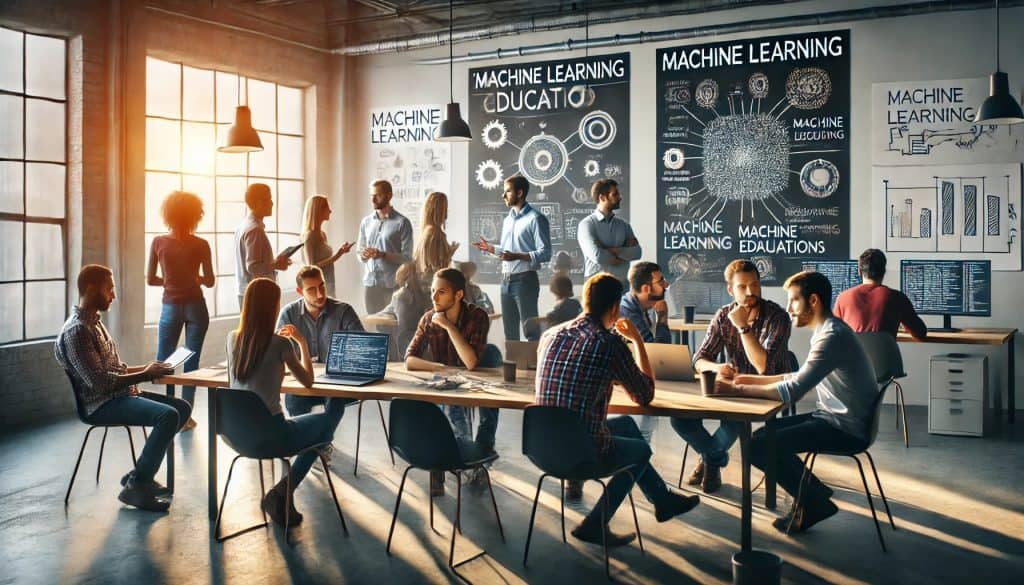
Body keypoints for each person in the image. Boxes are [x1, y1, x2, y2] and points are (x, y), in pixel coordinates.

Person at [707, 270, 879, 534]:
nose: (788, 309)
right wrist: (746, 379)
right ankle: (813, 494)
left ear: (813, 301)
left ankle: (813, 501)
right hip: (834, 418)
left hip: (846, 429)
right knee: (764, 435)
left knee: (755, 447)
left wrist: (734, 389)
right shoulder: (827, 331)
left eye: (794, 301)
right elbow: (795, 376)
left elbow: (792, 391)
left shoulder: (831, 337)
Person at [535, 273, 699, 546]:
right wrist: (636, 341)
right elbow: (645, 395)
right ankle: (594, 524)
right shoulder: (608, 343)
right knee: (641, 450)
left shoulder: (551, 335)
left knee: (626, 426)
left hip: (540, 447)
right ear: (615, 308)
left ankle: (663, 499)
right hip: (579, 452)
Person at [55, 264, 191, 512]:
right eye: (110, 290)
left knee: (181, 408)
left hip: (119, 395)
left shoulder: (95, 323)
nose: (113, 296)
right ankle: (138, 485)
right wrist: (145, 375)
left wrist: (149, 368)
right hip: (101, 405)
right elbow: (99, 383)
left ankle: (138, 475)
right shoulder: (77, 331)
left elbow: (115, 369)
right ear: (91, 288)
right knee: (168, 415)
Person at [228, 278, 343, 528]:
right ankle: (282, 491)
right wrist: (300, 342)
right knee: (324, 426)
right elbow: (308, 382)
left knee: (306, 424)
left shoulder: (232, 339)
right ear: (272, 307)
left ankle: (283, 497)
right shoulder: (280, 344)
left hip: (235, 436)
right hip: (271, 435)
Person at [670, 259, 791, 493]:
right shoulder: (723, 315)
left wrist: (743, 327)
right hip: (733, 386)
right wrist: (717, 368)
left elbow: (762, 366)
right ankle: (713, 456)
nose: (750, 292)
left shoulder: (777, 316)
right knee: (679, 418)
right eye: (742, 287)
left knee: (735, 419)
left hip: (768, 389)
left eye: (755, 285)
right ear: (730, 290)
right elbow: (699, 359)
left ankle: (710, 463)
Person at [405, 268, 497, 494]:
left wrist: (448, 326)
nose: (434, 298)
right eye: (433, 291)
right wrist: (442, 369)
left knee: (491, 407)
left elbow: (471, 363)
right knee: (446, 405)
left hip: (477, 381)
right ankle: (448, 463)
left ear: (458, 295)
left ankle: (479, 460)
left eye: (441, 292)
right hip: (448, 385)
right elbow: (410, 359)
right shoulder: (428, 318)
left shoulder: (478, 317)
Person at [277, 265, 364, 459]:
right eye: (311, 289)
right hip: (302, 380)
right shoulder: (288, 315)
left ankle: (319, 444)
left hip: (336, 383)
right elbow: (276, 353)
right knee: (292, 398)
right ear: (300, 292)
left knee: (335, 397)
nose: (319, 294)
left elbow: (362, 347)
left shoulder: (344, 311)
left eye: (322, 286)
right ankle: (309, 443)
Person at [147, 190, 213, 429]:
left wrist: (169, 280)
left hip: (171, 306)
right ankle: (186, 415)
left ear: (168, 214)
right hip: (197, 307)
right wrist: (195, 279)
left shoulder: (158, 242)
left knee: (165, 363)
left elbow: (150, 279)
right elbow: (211, 280)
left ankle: (170, 413)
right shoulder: (202, 244)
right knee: (191, 362)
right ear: (196, 215)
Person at [472, 175, 551, 341]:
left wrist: (516, 256)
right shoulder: (508, 220)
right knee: (510, 333)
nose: (503, 195)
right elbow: (508, 251)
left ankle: (532, 367)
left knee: (531, 332)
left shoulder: (536, 219)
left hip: (525, 280)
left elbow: (545, 253)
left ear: (520, 193)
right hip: (505, 281)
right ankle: (513, 367)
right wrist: (492, 248)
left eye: (507, 191)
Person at [834, 248, 927, 340]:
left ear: (859, 271)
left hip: (853, 355)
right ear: (884, 272)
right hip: (886, 355)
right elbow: (920, 333)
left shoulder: (843, 298)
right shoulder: (898, 298)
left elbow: (833, 336)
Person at [357, 180, 414, 314]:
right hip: (370, 284)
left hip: (392, 285)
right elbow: (359, 251)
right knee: (372, 326)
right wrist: (363, 254)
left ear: (389, 196)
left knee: (390, 328)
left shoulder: (402, 223)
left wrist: (382, 255)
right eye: (371, 195)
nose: (373, 199)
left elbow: (408, 258)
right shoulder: (366, 222)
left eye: (377, 195)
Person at [234, 182, 292, 308]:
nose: (272, 203)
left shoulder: (243, 226)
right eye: (269, 199)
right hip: (256, 294)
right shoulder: (254, 230)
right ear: (260, 202)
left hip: (247, 291)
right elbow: (253, 266)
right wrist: (276, 264)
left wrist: (275, 262)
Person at [577, 178, 642, 289]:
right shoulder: (586, 225)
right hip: (596, 285)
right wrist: (624, 250)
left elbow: (637, 253)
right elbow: (597, 256)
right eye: (615, 194)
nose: (620, 197)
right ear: (602, 198)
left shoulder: (624, 225)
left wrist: (611, 250)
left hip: (622, 285)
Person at [301, 194, 354, 298]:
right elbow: (311, 266)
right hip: (317, 286)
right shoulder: (310, 236)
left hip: (329, 281)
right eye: (327, 207)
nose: (330, 211)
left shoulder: (322, 234)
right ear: (319, 210)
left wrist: (341, 252)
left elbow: (326, 260)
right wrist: (337, 255)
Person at [376, 262, 430, 358]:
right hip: (425, 344)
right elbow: (388, 310)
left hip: (407, 345)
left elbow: (395, 317)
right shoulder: (427, 294)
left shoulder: (400, 296)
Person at [523, 274, 582, 340]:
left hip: (562, 337)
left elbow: (550, 317)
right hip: (577, 335)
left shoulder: (562, 305)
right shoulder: (576, 303)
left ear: (555, 290)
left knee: (530, 324)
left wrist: (532, 321)